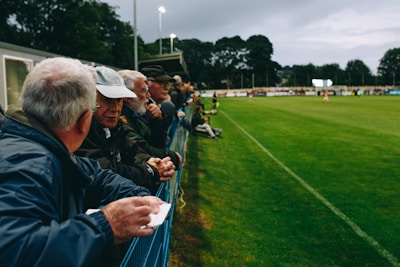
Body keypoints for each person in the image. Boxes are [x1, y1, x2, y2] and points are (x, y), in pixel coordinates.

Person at [0, 57, 164, 267]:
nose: (115, 108)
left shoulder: (40, 146)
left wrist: (140, 197)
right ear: (85, 119)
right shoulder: (30, 161)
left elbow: (95, 175)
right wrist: (106, 226)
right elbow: (11, 251)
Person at [76, 66, 176, 195]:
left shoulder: (117, 127)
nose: (115, 108)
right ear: (88, 99)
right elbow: (104, 171)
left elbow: (133, 150)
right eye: (107, 100)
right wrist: (149, 171)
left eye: (119, 100)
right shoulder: (80, 131)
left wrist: (153, 162)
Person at [118, 69, 182, 169]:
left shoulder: (136, 114)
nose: (148, 95)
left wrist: (157, 120)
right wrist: (172, 157)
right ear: (127, 96)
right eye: (144, 90)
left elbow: (156, 142)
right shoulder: (122, 117)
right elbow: (140, 147)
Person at [141, 65, 176, 148]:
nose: (166, 87)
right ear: (146, 84)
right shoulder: (139, 109)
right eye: (161, 82)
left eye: (167, 83)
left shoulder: (157, 105)